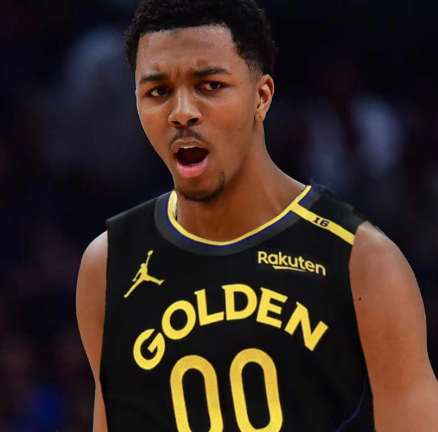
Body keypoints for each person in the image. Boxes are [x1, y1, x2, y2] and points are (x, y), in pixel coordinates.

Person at [75, 0, 438, 431]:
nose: (182, 112)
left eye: (210, 85)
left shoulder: (364, 262)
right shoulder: (109, 266)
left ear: (261, 97)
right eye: (158, 91)